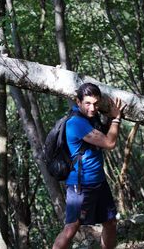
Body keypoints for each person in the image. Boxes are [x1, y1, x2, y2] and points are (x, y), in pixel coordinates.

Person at [52, 83, 126, 249]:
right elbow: (109, 142)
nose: (92, 108)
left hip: (98, 182)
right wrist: (116, 118)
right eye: (87, 103)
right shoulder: (76, 123)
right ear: (78, 102)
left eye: (95, 103)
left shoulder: (91, 119)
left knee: (110, 222)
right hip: (81, 186)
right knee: (71, 228)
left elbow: (102, 136)